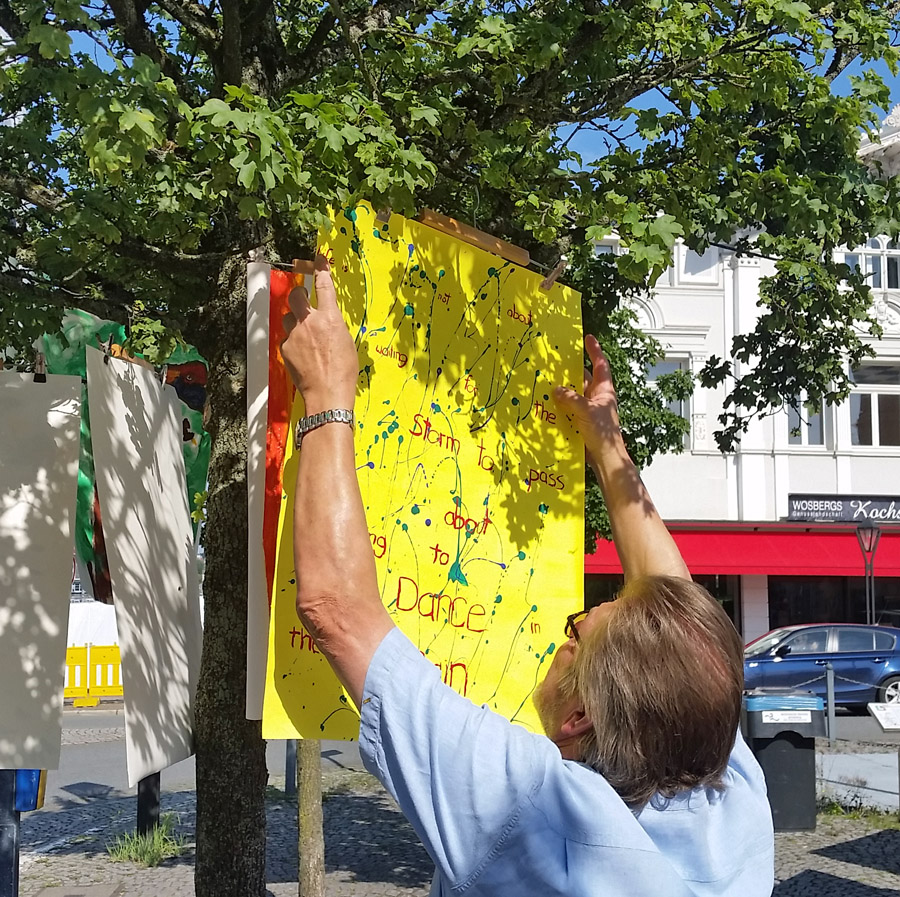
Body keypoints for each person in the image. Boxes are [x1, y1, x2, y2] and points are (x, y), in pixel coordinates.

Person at [280, 254, 775, 896]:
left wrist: (325, 393)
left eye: (577, 631)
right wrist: (608, 447)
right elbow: (679, 619)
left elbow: (336, 611)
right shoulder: (728, 793)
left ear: (580, 717)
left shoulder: (541, 810)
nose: (563, 634)